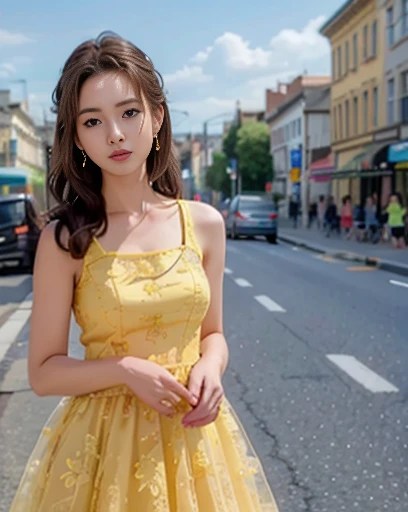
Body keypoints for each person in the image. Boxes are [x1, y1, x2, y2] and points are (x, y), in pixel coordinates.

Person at [10, 32, 279, 511]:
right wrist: (125, 370)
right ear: (76, 138)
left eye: (129, 113)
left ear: (157, 118)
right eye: (93, 121)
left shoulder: (205, 225)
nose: (114, 133)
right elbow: (44, 374)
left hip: (194, 440)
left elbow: (213, 334)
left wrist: (210, 368)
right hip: (101, 448)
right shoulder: (66, 239)